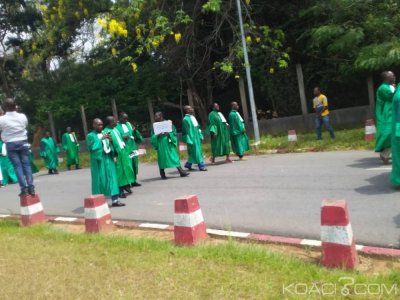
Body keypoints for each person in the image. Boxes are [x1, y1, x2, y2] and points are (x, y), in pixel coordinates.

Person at [86, 119, 125, 207]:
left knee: (113, 179)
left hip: (108, 158)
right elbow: (92, 149)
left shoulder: (105, 133)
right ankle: (98, 201)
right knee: (100, 181)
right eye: (98, 125)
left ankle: (115, 200)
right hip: (99, 160)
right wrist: (101, 139)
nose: (101, 126)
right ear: (94, 125)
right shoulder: (90, 136)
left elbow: (110, 146)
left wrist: (110, 141)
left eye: (101, 124)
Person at [0, 98, 35, 196]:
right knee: (26, 165)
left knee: (17, 166)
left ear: (5, 107)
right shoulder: (22, 116)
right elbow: (25, 125)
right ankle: (31, 188)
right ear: (15, 106)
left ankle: (24, 189)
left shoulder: (2, 119)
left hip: (11, 144)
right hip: (23, 142)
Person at [151, 112, 189, 179]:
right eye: (155, 116)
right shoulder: (155, 125)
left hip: (169, 142)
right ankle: (162, 174)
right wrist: (157, 135)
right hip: (160, 144)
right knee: (161, 158)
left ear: (161, 116)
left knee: (174, 157)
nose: (155, 118)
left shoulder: (168, 123)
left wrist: (169, 133)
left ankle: (181, 171)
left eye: (157, 116)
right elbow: (152, 136)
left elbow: (173, 132)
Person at [104, 116, 134, 198]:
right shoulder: (106, 132)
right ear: (110, 123)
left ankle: (126, 185)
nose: (116, 122)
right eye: (114, 121)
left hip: (123, 152)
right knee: (119, 172)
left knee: (126, 169)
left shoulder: (116, 129)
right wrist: (113, 155)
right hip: (116, 154)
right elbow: (108, 144)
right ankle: (120, 190)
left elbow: (120, 139)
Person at [115, 112, 143, 187]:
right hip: (125, 148)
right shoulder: (116, 126)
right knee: (128, 165)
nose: (126, 120)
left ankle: (134, 181)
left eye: (127, 118)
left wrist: (134, 131)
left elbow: (132, 133)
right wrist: (123, 138)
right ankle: (128, 182)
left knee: (134, 163)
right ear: (120, 117)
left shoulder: (128, 124)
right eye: (124, 118)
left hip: (132, 146)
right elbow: (116, 136)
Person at [375, 71, 396, 164]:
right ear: (387, 78)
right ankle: (385, 154)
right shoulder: (383, 88)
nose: (394, 77)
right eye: (392, 76)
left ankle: (386, 153)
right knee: (391, 134)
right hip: (387, 115)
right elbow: (393, 97)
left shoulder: (388, 87)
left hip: (391, 113)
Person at [182, 105, 207, 171]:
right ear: (187, 110)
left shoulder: (193, 117)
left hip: (197, 137)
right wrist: (189, 140)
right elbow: (187, 131)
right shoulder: (185, 119)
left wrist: (200, 135)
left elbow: (197, 127)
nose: (192, 109)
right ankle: (201, 166)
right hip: (192, 138)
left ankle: (188, 164)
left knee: (195, 152)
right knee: (197, 151)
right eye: (190, 108)